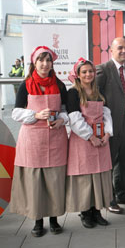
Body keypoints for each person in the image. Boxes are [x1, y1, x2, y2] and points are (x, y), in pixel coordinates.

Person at [9, 46, 68, 237]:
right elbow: (16, 111)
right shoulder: (26, 84)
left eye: (48, 60)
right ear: (34, 63)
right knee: (36, 182)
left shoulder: (60, 85)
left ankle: (54, 219)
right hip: (33, 139)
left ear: (52, 63)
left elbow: (66, 110)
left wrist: (62, 120)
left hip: (55, 138)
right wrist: (35, 114)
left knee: (54, 180)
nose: (45, 64)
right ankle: (37, 221)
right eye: (41, 60)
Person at [96, 37, 125, 214]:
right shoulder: (103, 70)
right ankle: (109, 198)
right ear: (112, 51)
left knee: (123, 161)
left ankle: (122, 193)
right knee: (109, 162)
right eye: (120, 48)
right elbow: (96, 99)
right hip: (110, 124)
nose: (124, 51)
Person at [66, 58, 113, 228]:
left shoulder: (98, 92)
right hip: (83, 142)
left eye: (90, 71)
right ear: (77, 75)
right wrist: (90, 136)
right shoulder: (73, 93)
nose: (88, 74)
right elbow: (74, 118)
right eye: (84, 72)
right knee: (86, 179)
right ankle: (85, 212)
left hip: (101, 141)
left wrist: (108, 133)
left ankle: (97, 211)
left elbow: (106, 114)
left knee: (98, 178)